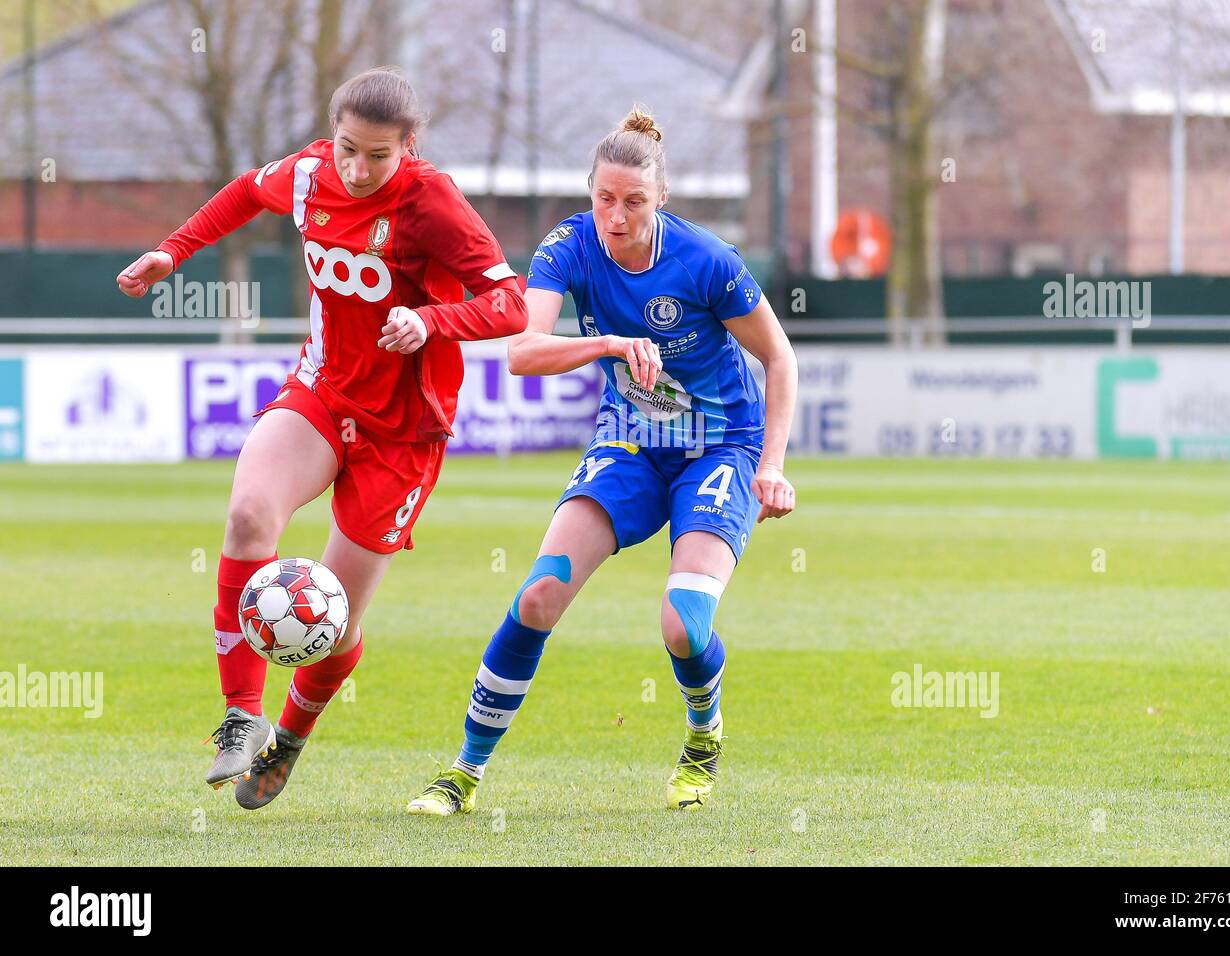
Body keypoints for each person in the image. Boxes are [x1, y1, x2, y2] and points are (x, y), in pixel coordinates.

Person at [115, 67, 527, 809]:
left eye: (378, 155)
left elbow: (511, 304)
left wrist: (432, 321)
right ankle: (242, 718)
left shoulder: (431, 201)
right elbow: (246, 190)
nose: (358, 168)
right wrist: (174, 252)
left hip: (402, 434)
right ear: (331, 133)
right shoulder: (309, 174)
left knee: (333, 627)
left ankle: (290, 737)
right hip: (322, 390)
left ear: (409, 148)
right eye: (347, 149)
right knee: (247, 518)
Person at [406, 107, 797, 815]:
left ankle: (704, 731)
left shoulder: (708, 261)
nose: (616, 217)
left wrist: (770, 465)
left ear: (662, 199)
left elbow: (778, 357)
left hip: (720, 446)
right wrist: (611, 345)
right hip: (629, 442)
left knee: (683, 623)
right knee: (538, 596)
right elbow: (523, 352)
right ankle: (463, 773)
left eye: (634, 202)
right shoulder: (568, 247)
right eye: (604, 199)